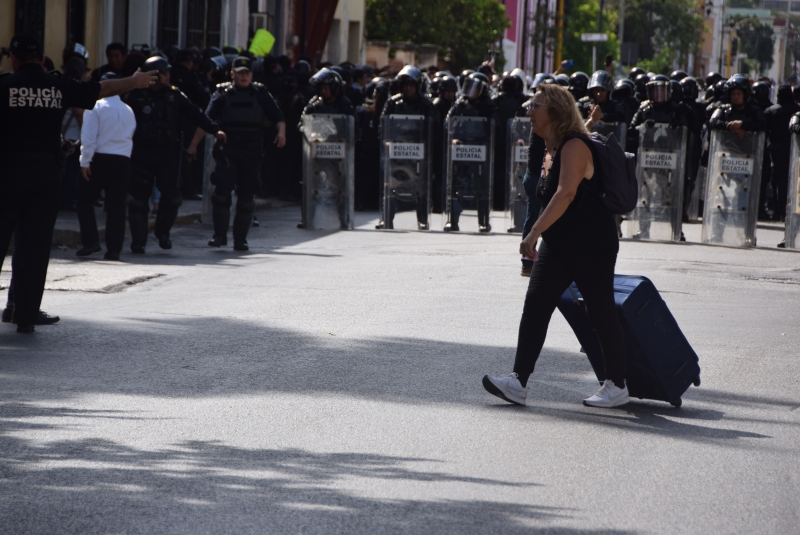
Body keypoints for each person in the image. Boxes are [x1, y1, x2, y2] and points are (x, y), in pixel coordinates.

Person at [482, 83, 628, 408]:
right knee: (536, 305)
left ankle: (617, 384)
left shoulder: (575, 145)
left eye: (536, 106)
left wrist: (533, 232)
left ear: (556, 113)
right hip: (560, 244)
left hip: (592, 244)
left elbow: (566, 193)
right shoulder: (550, 148)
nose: (529, 112)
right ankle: (518, 382)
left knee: (600, 309)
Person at [0, 33, 156, 333]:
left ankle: (15, 308)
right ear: (43, 60)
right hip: (44, 176)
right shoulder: (58, 85)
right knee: (35, 247)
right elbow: (102, 88)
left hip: (7, 174)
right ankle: (26, 316)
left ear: (14, 59)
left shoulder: (5, 85)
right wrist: (133, 82)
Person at [122, 55, 220, 254]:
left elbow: (196, 113)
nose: (168, 76)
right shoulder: (135, 96)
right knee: (138, 200)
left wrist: (215, 130)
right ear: (154, 75)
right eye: (164, 72)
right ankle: (138, 241)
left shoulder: (174, 95)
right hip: (141, 153)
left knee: (172, 198)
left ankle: (162, 233)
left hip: (167, 153)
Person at [200, 56, 286, 251]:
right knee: (221, 195)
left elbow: (278, 117)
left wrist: (281, 134)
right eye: (240, 72)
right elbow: (206, 119)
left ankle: (240, 240)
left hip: (252, 151)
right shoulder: (222, 94)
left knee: (246, 198)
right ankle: (219, 235)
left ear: (252, 75)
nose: (244, 76)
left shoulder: (261, 94)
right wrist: (193, 145)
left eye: (247, 72)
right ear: (232, 74)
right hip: (228, 150)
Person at [77, 72, 137, 260]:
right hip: (123, 160)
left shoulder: (95, 106)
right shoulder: (128, 109)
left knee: (84, 199)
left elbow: (88, 137)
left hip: (100, 158)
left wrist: (85, 161)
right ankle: (114, 249)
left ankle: (90, 241)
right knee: (116, 206)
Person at [378, 65, 437, 230]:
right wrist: (386, 140)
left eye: (411, 85)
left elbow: (434, 126)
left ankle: (423, 219)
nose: (408, 88)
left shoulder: (426, 104)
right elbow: (383, 124)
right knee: (390, 184)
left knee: (421, 185)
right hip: (396, 151)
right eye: (405, 85)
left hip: (419, 152)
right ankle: (386, 219)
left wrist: (425, 144)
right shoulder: (393, 102)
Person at [766, 86, 799, 227]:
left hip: (777, 151)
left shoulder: (772, 111)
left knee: (778, 182)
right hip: (793, 150)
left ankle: (779, 211)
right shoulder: (796, 110)